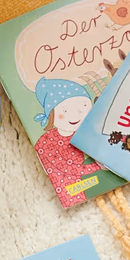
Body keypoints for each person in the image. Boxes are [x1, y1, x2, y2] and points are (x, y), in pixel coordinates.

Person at [32, 77, 101, 206]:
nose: (76, 114)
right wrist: (100, 166)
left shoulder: (82, 131)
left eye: (84, 106)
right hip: (73, 189)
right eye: (65, 111)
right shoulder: (46, 142)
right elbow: (70, 169)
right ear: (52, 115)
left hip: (92, 180)